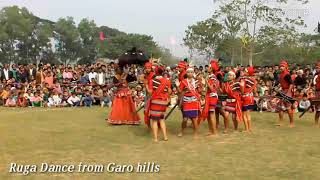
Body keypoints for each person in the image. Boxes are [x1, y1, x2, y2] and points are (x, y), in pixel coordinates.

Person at [145, 66, 172, 142]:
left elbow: (150, 92)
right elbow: (169, 92)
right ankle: (165, 137)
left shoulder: (152, 81)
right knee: (162, 119)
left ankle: (156, 138)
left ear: (155, 72)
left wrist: (146, 85)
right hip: (163, 102)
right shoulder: (167, 81)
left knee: (154, 121)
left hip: (155, 102)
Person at [178, 67, 201, 138]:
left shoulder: (196, 81)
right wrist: (182, 89)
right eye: (188, 72)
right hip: (186, 100)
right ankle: (182, 131)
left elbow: (200, 90)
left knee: (194, 118)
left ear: (193, 73)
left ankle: (196, 133)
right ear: (186, 73)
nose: (190, 73)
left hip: (194, 100)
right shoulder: (183, 81)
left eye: (191, 72)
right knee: (185, 118)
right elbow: (179, 90)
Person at [200, 60, 220, 136]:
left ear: (211, 69)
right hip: (209, 96)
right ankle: (211, 131)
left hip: (212, 96)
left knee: (211, 114)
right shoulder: (210, 76)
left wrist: (206, 81)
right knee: (208, 114)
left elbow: (211, 89)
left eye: (208, 67)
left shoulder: (213, 77)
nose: (207, 68)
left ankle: (214, 132)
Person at [276, 60, 295, 128]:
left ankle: (292, 123)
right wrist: (278, 87)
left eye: (283, 66)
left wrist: (288, 92)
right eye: (280, 66)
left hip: (287, 91)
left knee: (288, 108)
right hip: (283, 91)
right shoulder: (280, 74)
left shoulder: (287, 74)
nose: (281, 67)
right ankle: (280, 122)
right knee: (280, 107)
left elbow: (291, 84)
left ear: (286, 67)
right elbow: (282, 83)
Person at [240, 66, 257, 132]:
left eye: (245, 71)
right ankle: (249, 128)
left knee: (244, 114)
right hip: (251, 97)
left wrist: (242, 93)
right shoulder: (254, 80)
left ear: (247, 73)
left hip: (245, 97)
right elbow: (255, 90)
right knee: (248, 114)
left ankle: (246, 129)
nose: (244, 72)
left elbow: (241, 86)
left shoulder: (244, 79)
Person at [313, 62, 320, 127]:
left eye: (318, 68)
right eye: (316, 68)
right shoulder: (316, 76)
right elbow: (315, 85)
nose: (317, 69)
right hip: (318, 92)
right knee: (318, 109)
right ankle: (316, 122)